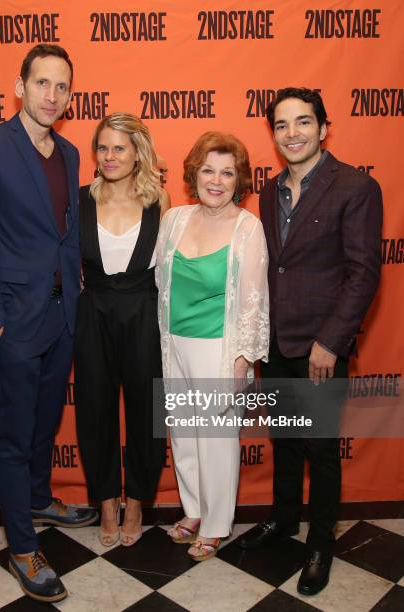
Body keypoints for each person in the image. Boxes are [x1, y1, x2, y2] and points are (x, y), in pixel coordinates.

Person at [0, 44, 98, 603]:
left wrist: (74, 304)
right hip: (11, 323)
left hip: (62, 317)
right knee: (13, 436)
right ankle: (21, 545)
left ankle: (39, 496)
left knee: (44, 422)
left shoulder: (67, 152)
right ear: (20, 86)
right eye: (42, 83)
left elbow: (61, 237)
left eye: (62, 87)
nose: (52, 96)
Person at [238, 88, 383, 595]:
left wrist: (331, 340)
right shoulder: (269, 190)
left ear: (324, 128)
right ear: (273, 134)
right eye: (281, 125)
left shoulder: (355, 187)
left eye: (303, 122)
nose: (292, 133)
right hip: (276, 343)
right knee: (284, 439)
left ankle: (321, 542)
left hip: (321, 347)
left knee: (320, 448)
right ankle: (283, 520)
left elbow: (363, 274)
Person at [156, 132, 269, 561]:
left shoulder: (248, 227)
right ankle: (194, 510)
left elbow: (255, 301)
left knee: (217, 438)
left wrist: (242, 361)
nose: (216, 181)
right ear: (194, 174)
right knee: (183, 434)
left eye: (227, 172)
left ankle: (218, 523)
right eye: (208, 170)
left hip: (219, 349)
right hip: (174, 345)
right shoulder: (175, 220)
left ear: (239, 179)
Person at [74, 113, 170, 547]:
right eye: (103, 147)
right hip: (92, 312)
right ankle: (107, 504)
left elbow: (169, 268)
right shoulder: (79, 199)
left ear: (138, 153)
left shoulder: (159, 200)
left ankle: (136, 504)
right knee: (94, 410)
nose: (110, 156)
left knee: (145, 412)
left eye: (119, 148)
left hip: (143, 312)